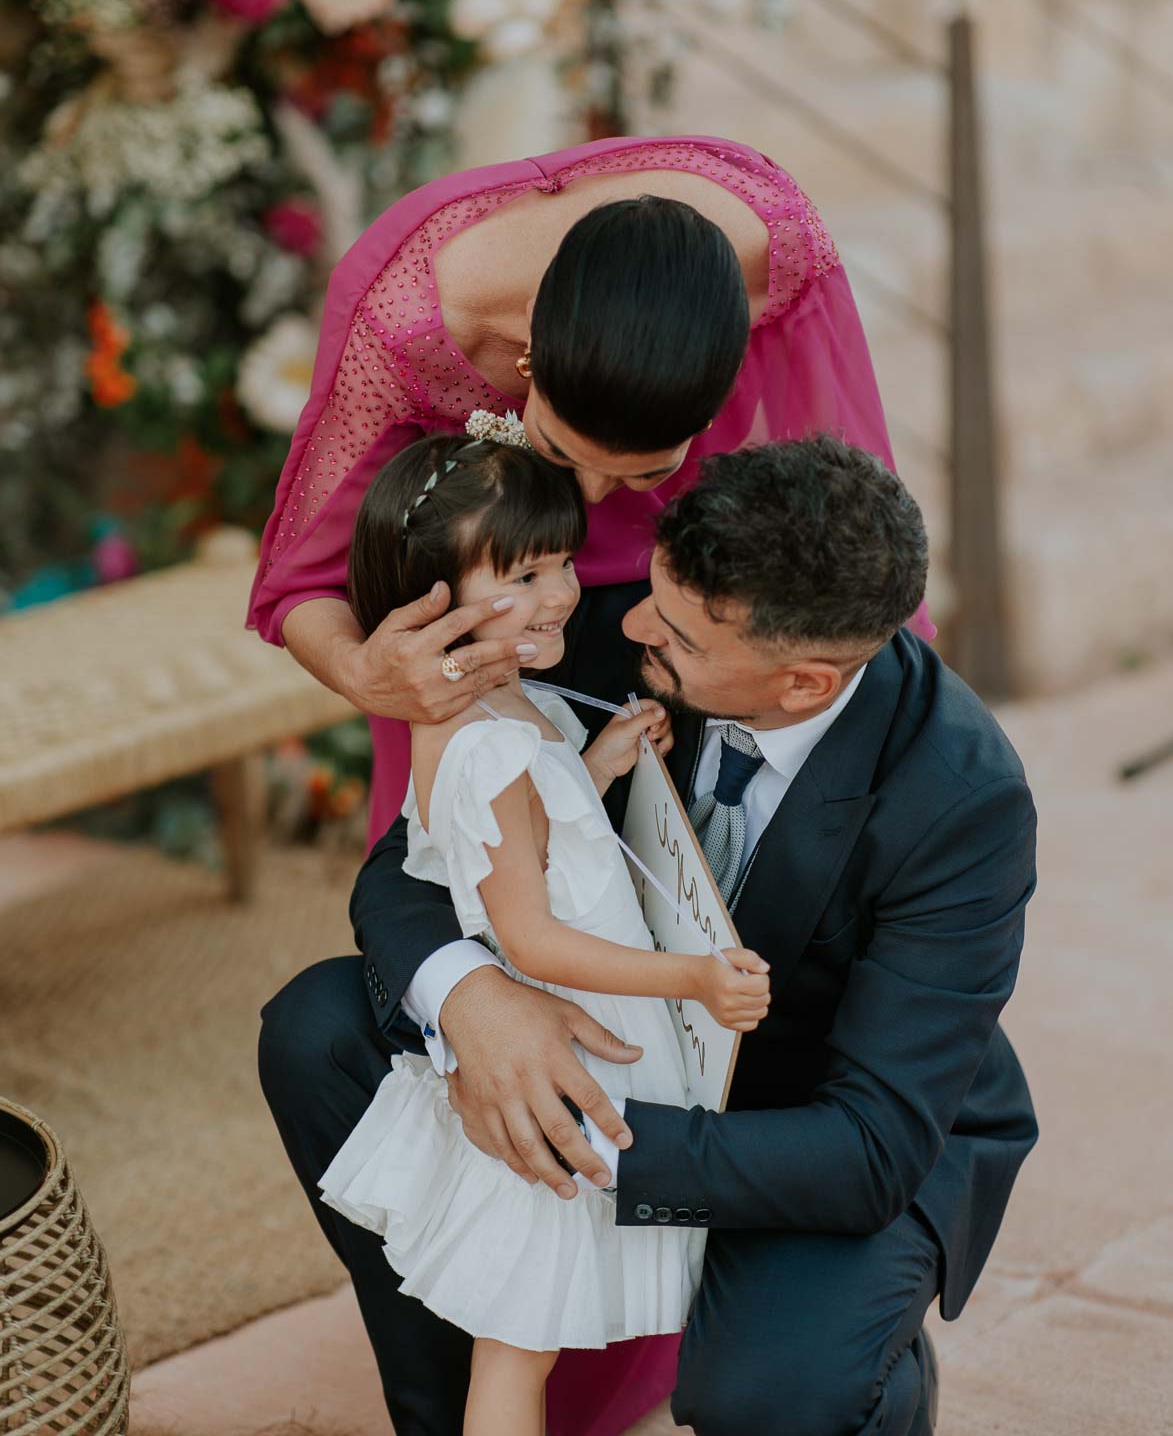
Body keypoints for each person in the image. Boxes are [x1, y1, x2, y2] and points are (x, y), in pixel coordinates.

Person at [259, 436, 1037, 1436]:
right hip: (616, 1022)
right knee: (320, 1027)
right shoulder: (632, 616)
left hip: (813, 1118)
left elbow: (872, 1145)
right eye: (645, 596)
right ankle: (446, 1412)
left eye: (673, 634)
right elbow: (411, 860)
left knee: (776, 1394)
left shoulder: (962, 800)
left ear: (802, 681)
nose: (625, 625)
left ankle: (866, 1376)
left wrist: (593, 1139)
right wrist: (476, 1000)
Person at [247, 135, 930, 855]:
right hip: (490, 637)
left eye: (644, 473)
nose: (593, 497)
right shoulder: (401, 322)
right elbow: (305, 584)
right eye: (558, 453)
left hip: (687, 621)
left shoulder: (776, 255)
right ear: (529, 361)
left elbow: (847, 532)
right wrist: (368, 677)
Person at [316, 424, 771, 1436]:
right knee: (516, 1356)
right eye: (520, 574)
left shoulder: (504, 705)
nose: (560, 592)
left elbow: (540, 840)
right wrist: (691, 976)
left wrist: (600, 761)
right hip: (568, 1052)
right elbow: (529, 939)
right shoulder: (488, 745)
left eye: (562, 560)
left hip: (584, 1037)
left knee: (525, 1342)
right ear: (428, 598)